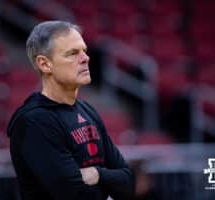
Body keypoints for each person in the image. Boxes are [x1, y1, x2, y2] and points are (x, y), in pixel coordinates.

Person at [7, 20, 135, 200]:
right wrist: (109, 189)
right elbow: (76, 195)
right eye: (73, 53)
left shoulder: (87, 110)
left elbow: (128, 183)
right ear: (45, 64)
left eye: (84, 51)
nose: (85, 58)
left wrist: (97, 174)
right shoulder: (34, 121)